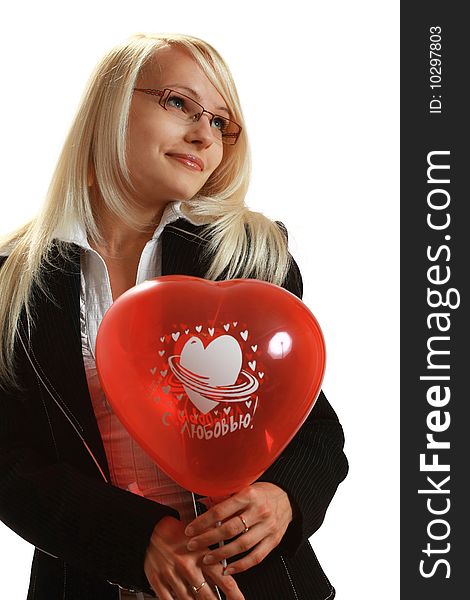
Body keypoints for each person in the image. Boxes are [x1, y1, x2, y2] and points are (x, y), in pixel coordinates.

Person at [0, 33, 348, 600]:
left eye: (220, 122)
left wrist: (285, 498)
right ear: (110, 105)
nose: (202, 134)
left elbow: (314, 429)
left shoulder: (249, 255)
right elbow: (9, 463)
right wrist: (136, 539)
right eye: (179, 103)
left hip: (249, 584)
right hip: (90, 580)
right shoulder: (12, 277)